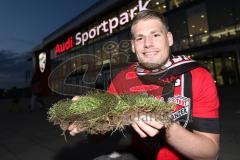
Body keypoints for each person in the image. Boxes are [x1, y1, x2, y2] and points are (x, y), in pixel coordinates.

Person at [68, 10, 220, 160]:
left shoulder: (197, 76)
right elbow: (98, 138)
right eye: (140, 38)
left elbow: (210, 152)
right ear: (133, 46)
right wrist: (91, 121)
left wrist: (166, 127)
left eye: (155, 35)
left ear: (169, 38)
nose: (148, 44)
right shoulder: (121, 80)